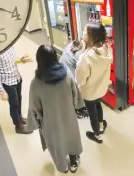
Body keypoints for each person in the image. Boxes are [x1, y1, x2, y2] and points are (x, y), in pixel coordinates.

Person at [26, 45, 83, 173]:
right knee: (71, 137)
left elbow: (34, 107)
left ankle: (62, 167)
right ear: (55, 58)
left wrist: (37, 121)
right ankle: (74, 161)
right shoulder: (67, 74)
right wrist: (78, 106)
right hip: (68, 116)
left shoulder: (36, 83)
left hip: (51, 122)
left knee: (57, 144)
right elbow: (76, 94)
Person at [75, 23, 112, 144]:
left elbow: (80, 80)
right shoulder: (107, 49)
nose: (82, 33)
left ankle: (97, 135)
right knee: (98, 105)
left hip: (89, 93)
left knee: (92, 113)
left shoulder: (85, 58)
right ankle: (101, 126)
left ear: (93, 36)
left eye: (85, 32)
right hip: (101, 89)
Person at [0, 46, 33, 134]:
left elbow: (13, 59)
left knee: (19, 99)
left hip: (16, 77)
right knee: (14, 104)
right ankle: (18, 126)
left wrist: (22, 60)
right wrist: (1, 91)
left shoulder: (9, 46)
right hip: (7, 82)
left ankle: (19, 118)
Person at [59, 39, 88, 119]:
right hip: (69, 72)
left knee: (70, 90)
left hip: (62, 67)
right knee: (76, 89)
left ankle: (77, 107)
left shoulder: (75, 42)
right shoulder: (82, 54)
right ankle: (78, 110)